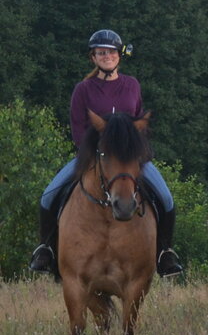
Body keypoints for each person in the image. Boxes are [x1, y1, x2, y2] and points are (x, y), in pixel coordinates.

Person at [30, 29, 182, 277]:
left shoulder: (132, 85)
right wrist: (88, 154)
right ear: (93, 57)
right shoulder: (83, 89)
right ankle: (46, 249)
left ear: (119, 56)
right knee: (49, 195)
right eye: (101, 52)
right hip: (93, 156)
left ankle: (165, 253)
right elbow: (78, 126)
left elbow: (139, 121)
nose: (106, 56)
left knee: (165, 198)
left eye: (111, 52)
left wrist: (138, 151)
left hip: (130, 159)